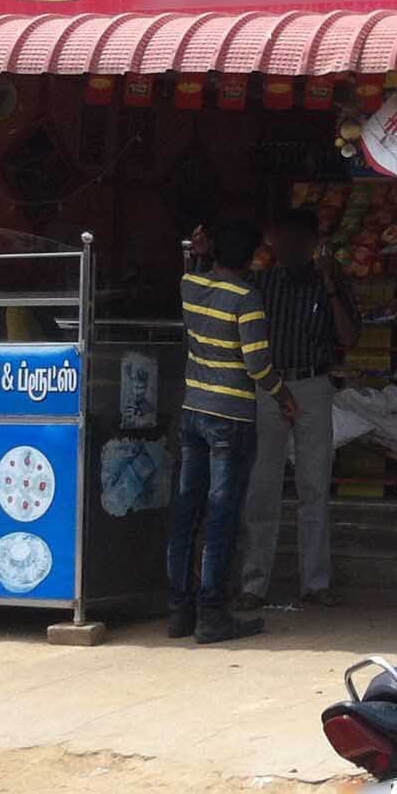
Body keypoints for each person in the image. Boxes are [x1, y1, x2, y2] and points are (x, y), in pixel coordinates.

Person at [171, 219, 295, 645]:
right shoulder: (247, 298)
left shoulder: (189, 286)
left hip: (192, 411)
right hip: (232, 418)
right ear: (249, 258)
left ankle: (179, 610)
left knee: (188, 512)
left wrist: (199, 253)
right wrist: (283, 396)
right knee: (222, 516)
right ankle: (211, 613)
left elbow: (192, 266)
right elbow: (258, 364)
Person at [234, 208, 357, 613]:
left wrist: (329, 284)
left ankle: (315, 582)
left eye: (297, 241)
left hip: (312, 383)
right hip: (270, 385)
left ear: (311, 244)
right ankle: (254, 583)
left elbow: (349, 336)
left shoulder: (328, 284)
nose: (289, 248)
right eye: (282, 240)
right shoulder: (261, 282)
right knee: (262, 486)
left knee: (314, 485)